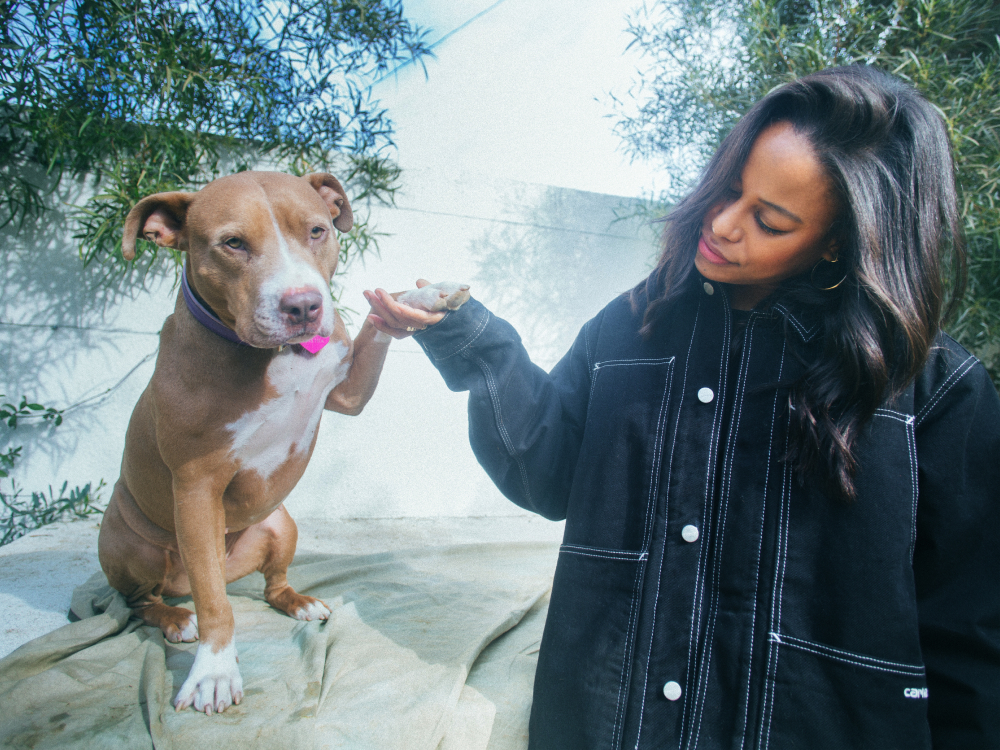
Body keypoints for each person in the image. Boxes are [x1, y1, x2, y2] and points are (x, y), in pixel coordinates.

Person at [364, 65, 1000, 749]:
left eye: (770, 220)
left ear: (840, 239)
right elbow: (545, 473)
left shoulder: (935, 396)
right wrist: (473, 340)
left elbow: (970, 642)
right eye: (728, 188)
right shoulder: (633, 326)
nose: (723, 224)